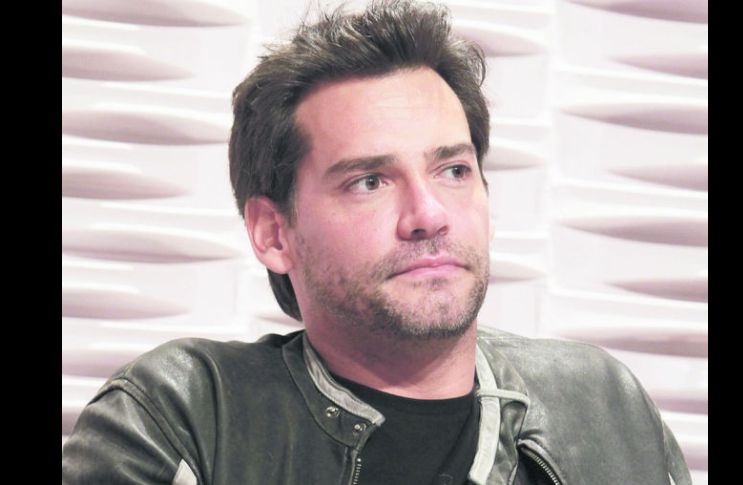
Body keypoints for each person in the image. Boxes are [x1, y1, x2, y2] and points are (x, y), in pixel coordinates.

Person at [62, 1, 692, 484]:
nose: (428, 214)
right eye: (370, 181)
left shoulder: (604, 407)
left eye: (453, 170)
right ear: (273, 233)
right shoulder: (186, 415)